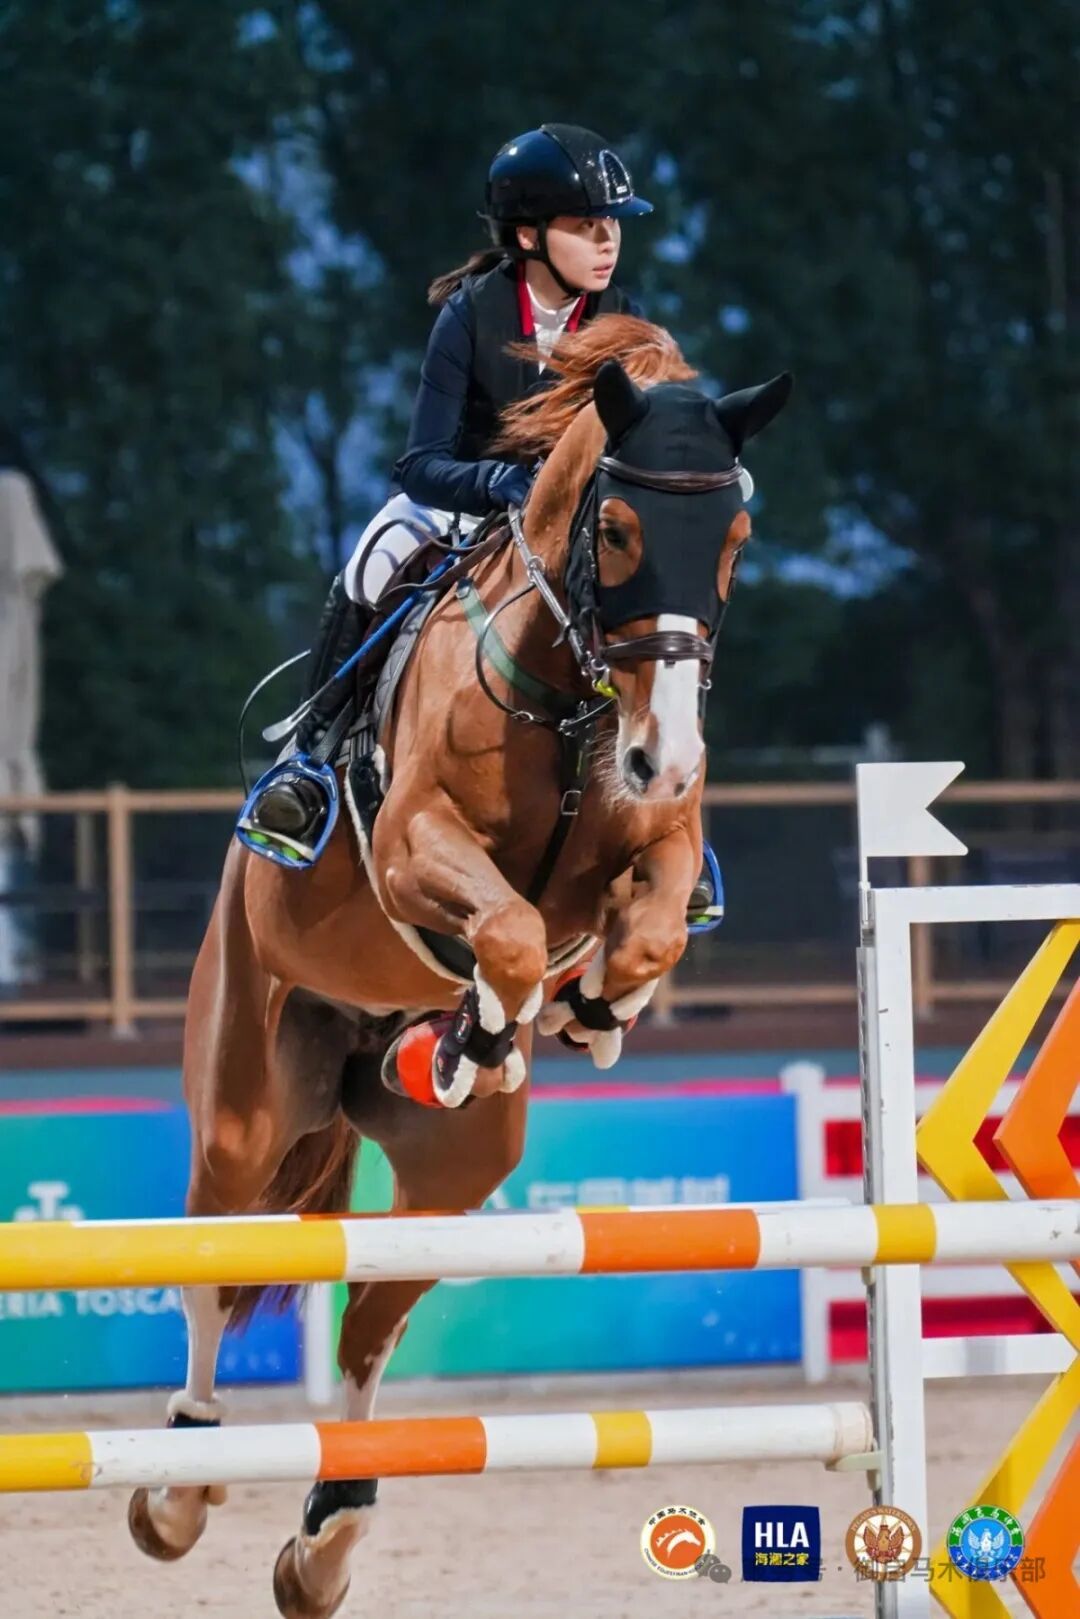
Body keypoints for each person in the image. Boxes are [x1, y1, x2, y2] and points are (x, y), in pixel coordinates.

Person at [244, 123, 649, 854]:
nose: (607, 240)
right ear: (528, 237)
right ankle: (307, 758)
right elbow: (419, 462)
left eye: (612, 224)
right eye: (586, 225)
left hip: (570, 526)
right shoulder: (471, 314)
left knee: (658, 593)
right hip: (463, 506)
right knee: (370, 559)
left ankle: (664, 810)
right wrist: (497, 481)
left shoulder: (622, 317)